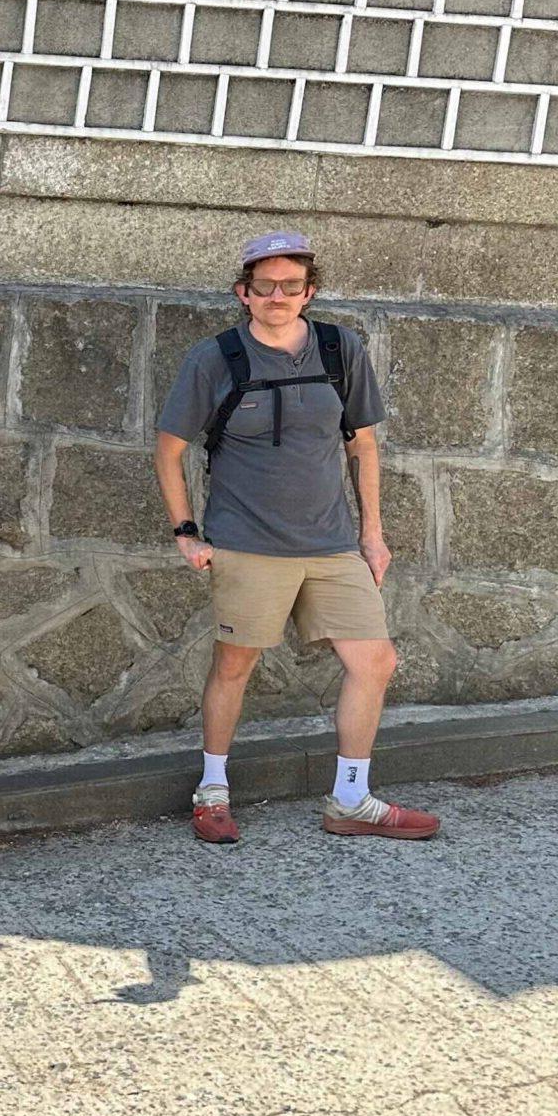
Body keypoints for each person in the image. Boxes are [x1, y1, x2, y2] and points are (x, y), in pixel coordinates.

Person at [154, 231, 435, 844]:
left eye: (290, 286)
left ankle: (351, 801)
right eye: (264, 286)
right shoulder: (216, 358)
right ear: (244, 293)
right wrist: (186, 533)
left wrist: (374, 535)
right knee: (235, 666)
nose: (277, 296)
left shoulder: (339, 349)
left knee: (376, 661)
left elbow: (362, 445)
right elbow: (169, 450)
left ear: (309, 292)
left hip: (332, 546)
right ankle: (213, 789)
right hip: (246, 543)